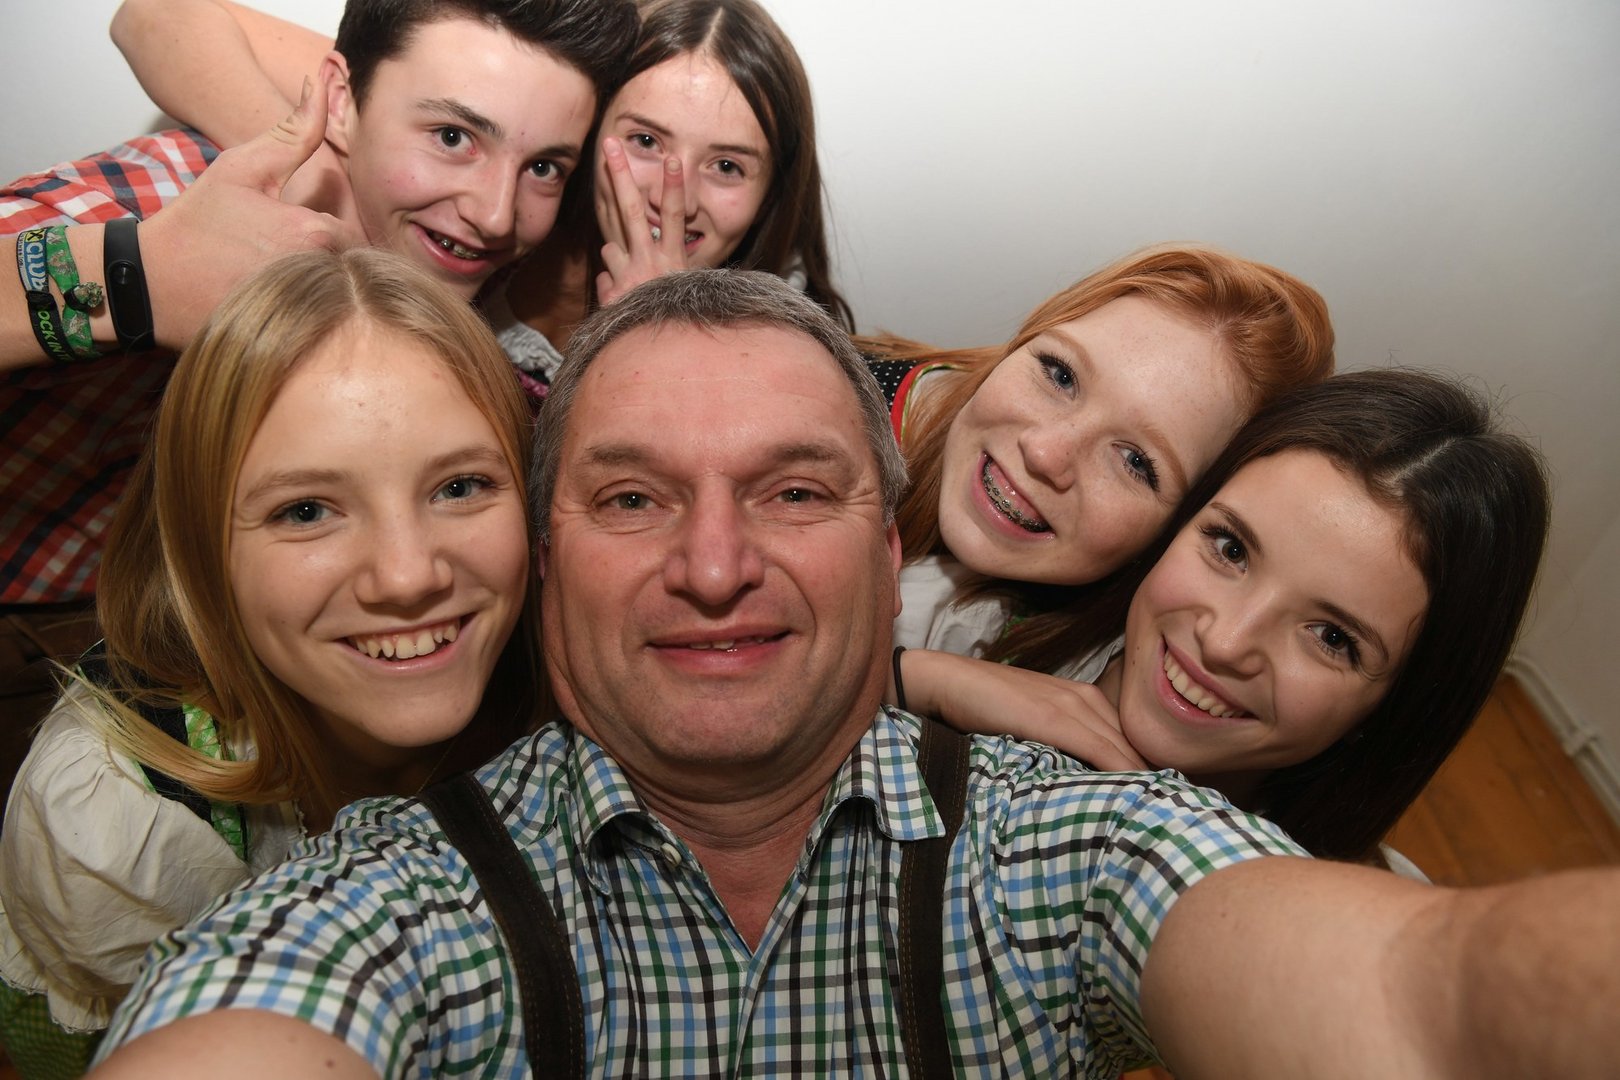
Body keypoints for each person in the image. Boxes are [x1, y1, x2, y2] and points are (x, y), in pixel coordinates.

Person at [86, 270, 1620, 1079]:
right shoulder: (378, 902)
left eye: (797, 490)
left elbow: (1428, 1002)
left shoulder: (1075, 839)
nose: (713, 562)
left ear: (887, 556)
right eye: (631, 495)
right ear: (543, 555)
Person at [0, 0, 636, 807]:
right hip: (36, 636)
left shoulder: (482, 260)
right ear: (338, 104)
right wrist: (139, 276)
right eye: (451, 138)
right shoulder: (189, 195)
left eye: (543, 166)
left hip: (253, 665)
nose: (495, 212)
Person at [0, 247, 541, 1077]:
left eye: (460, 487)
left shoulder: (570, 697)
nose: (407, 576)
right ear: (200, 550)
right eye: (307, 510)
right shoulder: (120, 821)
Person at [897, 368, 1551, 862]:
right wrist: (916, 680)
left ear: (1395, 708)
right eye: (1231, 549)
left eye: (1332, 638)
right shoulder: (957, 619)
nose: (1226, 642)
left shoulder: (1315, 906)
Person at [112, 0, 852, 401]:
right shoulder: (502, 164)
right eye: (646, 141)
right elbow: (157, 15)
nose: (670, 195)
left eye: (727, 165)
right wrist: (322, 184)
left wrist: (657, 340)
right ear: (587, 130)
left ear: (771, 191)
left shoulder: (779, 346)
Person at [863, 244, 1337, 666]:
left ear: (1178, 534)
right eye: (1061, 375)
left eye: (1136, 462)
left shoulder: (1123, 660)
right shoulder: (845, 409)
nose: (1045, 453)